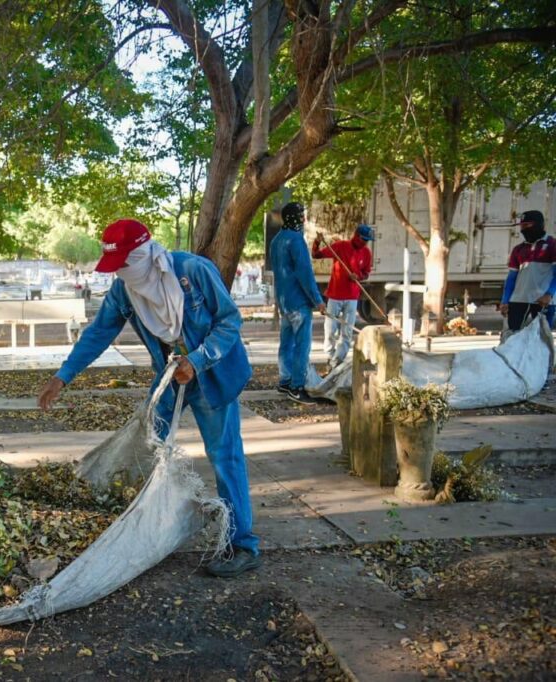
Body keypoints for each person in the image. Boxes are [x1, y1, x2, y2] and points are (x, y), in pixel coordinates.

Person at [37, 219, 260, 578]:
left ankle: (243, 544)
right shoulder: (125, 291)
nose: (122, 274)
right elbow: (98, 334)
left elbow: (230, 322)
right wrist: (62, 377)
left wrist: (198, 360)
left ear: (143, 255)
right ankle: (143, 522)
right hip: (170, 376)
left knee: (224, 456)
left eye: (125, 264)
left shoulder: (192, 271)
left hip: (213, 372)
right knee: (148, 440)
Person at [269, 202, 326, 404]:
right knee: (302, 346)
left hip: (284, 302)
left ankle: (285, 381)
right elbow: (305, 274)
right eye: (302, 215)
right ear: (295, 217)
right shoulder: (296, 240)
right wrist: (318, 301)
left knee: (286, 344)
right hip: (299, 302)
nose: (304, 219)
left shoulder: (276, 240)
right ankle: (297, 386)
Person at [312, 224, 374, 368]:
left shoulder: (366, 253)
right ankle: (330, 355)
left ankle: (337, 361)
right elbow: (316, 255)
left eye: (367, 240)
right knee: (330, 329)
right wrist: (317, 242)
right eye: (364, 239)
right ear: (356, 235)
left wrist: (358, 276)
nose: (365, 243)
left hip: (352, 297)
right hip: (335, 295)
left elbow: (366, 273)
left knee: (347, 332)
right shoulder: (340, 246)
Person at [500, 210, 556, 331]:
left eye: (527, 225)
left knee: (542, 338)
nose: (523, 229)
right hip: (518, 300)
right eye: (522, 226)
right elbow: (512, 277)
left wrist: (549, 294)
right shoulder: (518, 249)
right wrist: (505, 300)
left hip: (543, 301)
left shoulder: (552, 245)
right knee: (513, 336)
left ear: (538, 224)